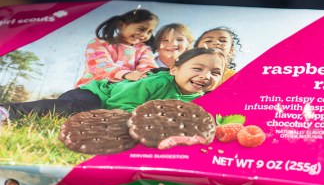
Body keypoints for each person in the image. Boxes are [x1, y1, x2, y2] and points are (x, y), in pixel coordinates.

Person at [0, 47, 225, 123]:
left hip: (111, 110)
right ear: (175, 69)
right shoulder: (158, 81)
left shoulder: (198, 99)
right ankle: (8, 110)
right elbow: (120, 101)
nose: (206, 76)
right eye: (198, 68)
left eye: (215, 72)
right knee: (71, 110)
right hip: (96, 95)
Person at [74, 8, 159, 87]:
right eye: (141, 29)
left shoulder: (143, 49)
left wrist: (148, 76)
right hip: (96, 86)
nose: (144, 35)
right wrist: (126, 75)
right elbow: (100, 65)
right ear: (121, 25)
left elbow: (148, 65)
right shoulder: (99, 43)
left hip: (126, 87)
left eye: (149, 32)